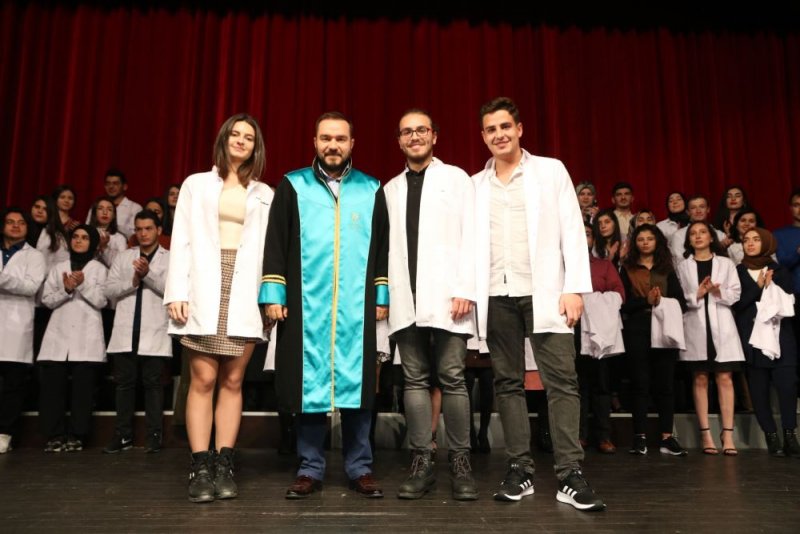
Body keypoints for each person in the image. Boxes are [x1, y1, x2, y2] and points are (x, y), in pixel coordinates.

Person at [472, 97, 604, 511]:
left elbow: (572, 229)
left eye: (505, 126)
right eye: (491, 129)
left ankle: (570, 473)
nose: (499, 135)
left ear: (519, 129)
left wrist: (574, 287)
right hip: (496, 293)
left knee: (561, 381)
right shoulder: (476, 184)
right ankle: (520, 469)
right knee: (507, 383)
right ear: (483, 136)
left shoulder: (550, 170)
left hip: (545, 292)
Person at [260, 111, 389, 500]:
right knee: (310, 384)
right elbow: (276, 241)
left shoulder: (370, 188)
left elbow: (382, 246)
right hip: (306, 303)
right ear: (315, 142)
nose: (333, 145)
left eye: (340, 139)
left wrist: (381, 294)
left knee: (357, 385)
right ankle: (310, 467)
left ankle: (360, 466)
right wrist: (274, 294)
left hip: (356, 304)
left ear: (352, 144)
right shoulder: (293, 185)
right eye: (326, 138)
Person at [165, 113, 273, 503]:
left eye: (249, 137)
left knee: (233, 380)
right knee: (203, 380)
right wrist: (177, 292)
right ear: (224, 139)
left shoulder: (265, 193)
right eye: (235, 134)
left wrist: (270, 297)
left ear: (256, 147)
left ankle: (224, 462)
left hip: (245, 289)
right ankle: (199, 465)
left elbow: (270, 251)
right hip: (205, 286)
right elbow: (181, 239)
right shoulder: (196, 184)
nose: (241, 140)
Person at [383, 109, 478, 500]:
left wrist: (466, 287)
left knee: (453, 376)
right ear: (399, 141)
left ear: (435, 136)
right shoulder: (390, 189)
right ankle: (421, 461)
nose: (415, 137)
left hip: (450, 296)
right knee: (414, 379)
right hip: (406, 297)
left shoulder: (457, 179)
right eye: (407, 132)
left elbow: (473, 236)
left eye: (421, 130)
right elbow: (385, 249)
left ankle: (460, 462)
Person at [104, 210, 171, 454]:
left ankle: (154, 436)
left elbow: (172, 290)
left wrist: (147, 275)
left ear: (158, 230)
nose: (143, 233)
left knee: (153, 385)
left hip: (154, 331)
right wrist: (133, 281)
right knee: (124, 385)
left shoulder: (170, 258)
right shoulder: (124, 257)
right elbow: (109, 290)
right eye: (139, 229)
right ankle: (122, 435)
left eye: (148, 228)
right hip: (125, 331)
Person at [676, 221, 744, 456]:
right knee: (701, 378)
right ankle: (705, 433)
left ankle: (728, 434)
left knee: (725, 378)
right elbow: (679, 297)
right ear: (688, 240)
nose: (698, 236)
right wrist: (698, 293)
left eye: (703, 232)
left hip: (722, 326)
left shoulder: (726, 263)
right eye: (693, 233)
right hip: (695, 326)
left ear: (711, 237)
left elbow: (736, 293)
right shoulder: (683, 266)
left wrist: (716, 291)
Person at [620, 224, 688, 456]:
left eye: (650, 238)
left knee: (665, 385)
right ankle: (639, 437)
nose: (646, 242)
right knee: (640, 383)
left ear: (657, 241)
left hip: (665, 326)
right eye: (641, 239)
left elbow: (682, 302)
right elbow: (622, 304)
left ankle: (667, 437)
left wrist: (661, 302)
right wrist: (645, 301)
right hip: (637, 327)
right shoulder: (627, 268)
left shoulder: (666, 268)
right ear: (635, 243)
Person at [38, 225, 107, 453]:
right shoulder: (58, 268)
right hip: (58, 336)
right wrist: (66, 290)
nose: (78, 240)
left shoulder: (99, 269)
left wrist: (82, 285)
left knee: (82, 392)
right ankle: (54, 435)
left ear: (93, 243)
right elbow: (47, 300)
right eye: (75, 236)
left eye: (85, 237)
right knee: (53, 390)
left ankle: (77, 435)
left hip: (86, 337)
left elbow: (102, 301)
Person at [732, 228, 800, 456]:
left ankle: (790, 434)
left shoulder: (779, 270)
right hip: (752, 338)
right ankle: (771, 435)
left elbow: (790, 302)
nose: (750, 243)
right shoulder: (738, 271)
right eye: (746, 240)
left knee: (787, 386)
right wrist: (758, 287)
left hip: (781, 337)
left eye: (756, 239)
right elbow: (738, 304)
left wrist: (771, 286)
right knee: (759, 390)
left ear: (767, 243)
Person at [0, 208, 47, 453]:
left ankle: (5, 433)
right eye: (10, 222)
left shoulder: (35, 256)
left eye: (21, 222)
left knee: (13, 385)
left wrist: (2, 279)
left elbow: (30, 287)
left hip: (16, 326)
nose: (16, 226)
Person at [85, 169, 143, 238]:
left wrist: (112, 225)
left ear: (125, 187)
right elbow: (87, 229)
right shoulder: (96, 206)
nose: (111, 187)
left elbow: (134, 235)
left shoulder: (135, 208)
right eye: (108, 183)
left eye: (115, 183)